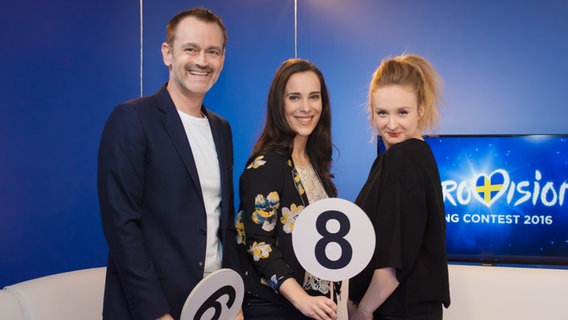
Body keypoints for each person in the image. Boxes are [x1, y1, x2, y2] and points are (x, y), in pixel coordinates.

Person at [97, 7, 241, 320]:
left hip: (214, 303)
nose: (202, 61)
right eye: (190, 49)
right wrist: (156, 313)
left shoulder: (221, 129)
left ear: (222, 59)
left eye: (212, 51)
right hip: (153, 308)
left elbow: (224, 224)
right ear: (167, 53)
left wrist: (234, 297)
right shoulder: (133, 119)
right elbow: (122, 227)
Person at [235, 58, 345, 320]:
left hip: (314, 307)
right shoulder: (266, 165)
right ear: (279, 104)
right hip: (274, 308)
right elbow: (259, 244)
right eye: (294, 97)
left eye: (314, 97)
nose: (306, 107)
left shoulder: (315, 163)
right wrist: (303, 300)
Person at [348, 54, 451, 320]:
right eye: (382, 113)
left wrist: (364, 309)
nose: (391, 125)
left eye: (402, 112)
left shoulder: (403, 158)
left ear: (420, 109)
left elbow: (392, 263)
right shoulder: (405, 157)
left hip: (397, 311)